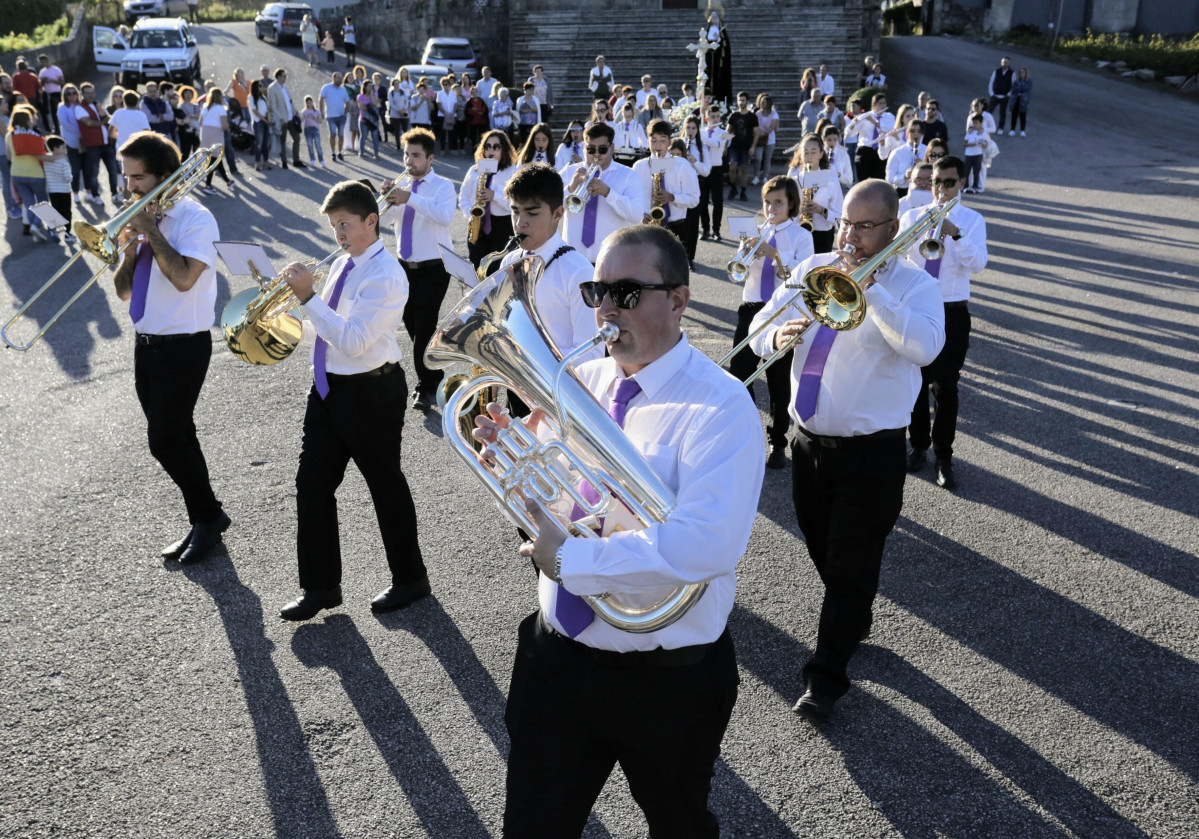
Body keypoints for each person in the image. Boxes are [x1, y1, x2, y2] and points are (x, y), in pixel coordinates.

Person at [480, 221, 763, 838]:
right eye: (597, 293)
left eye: (626, 293)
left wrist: (574, 565)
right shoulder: (581, 381)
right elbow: (556, 506)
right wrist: (516, 465)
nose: (606, 309)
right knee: (531, 826)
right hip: (556, 658)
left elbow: (707, 544)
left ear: (679, 300)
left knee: (678, 824)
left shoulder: (720, 407)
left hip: (668, 678)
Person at [747, 179, 945, 721]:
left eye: (862, 226)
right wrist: (776, 336)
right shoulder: (814, 267)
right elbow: (761, 325)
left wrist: (871, 289)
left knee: (851, 558)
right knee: (823, 549)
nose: (849, 236)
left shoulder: (912, 286)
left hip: (871, 453)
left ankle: (826, 678)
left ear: (891, 230)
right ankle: (852, 611)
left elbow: (926, 347)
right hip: (809, 445)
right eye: (845, 223)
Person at [275, 180, 429, 621]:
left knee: (384, 485)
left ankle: (411, 579)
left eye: (345, 224)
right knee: (312, 484)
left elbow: (355, 340)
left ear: (371, 221)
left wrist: (308, 298)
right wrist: (287, 324)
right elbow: (327, 332)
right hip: (328, 388)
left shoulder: (385, 275)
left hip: (371, 391)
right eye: (333, 226)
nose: (338, 234)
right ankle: (320, 588)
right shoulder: (345, 263)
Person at [112, 130, 230, 562]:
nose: (130, 188)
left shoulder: (195, 219)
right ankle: (202, 519)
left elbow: (183, 278)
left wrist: (151, 232)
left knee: (164, 440)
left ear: (165, 177)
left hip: (183, 345)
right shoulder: (147, 217)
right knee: (180, 435)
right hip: (146, 344)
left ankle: (210, 515)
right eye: (126, 178)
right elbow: (125, 293)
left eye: (139, 178)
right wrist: (129, 251)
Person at [900, 156, 987, 490]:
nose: (940, 189)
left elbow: (977, 263)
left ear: (962, 182)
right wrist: (913, 234)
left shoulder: (972, 219)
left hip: (952, 309)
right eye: (936, 182)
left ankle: (944, 456)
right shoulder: (912, 216)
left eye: (948, 182)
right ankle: (918, 445)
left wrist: (956, 234)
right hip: (917, 305)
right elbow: (897, 259)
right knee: (916, 382)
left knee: (945, 386)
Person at [729, 176, 814, 468]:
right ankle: (749, 429)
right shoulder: (755, 231)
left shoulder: (802, 236)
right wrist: (744, 251)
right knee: (740, 374)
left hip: (782, 313)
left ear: (791, 203)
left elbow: (803, 282)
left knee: (779, 382)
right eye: (767, 202)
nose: (770, 207)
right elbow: (736, 274)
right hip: (750, 307)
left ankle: (777, 441)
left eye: (777, 202)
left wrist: (777, 257)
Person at [379, 128, 456, 411]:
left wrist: (410, 198)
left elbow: (445, 217)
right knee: (412, 325)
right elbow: (390, 223)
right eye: (406, 154)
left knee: (423, 327)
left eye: (415, 156)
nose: (409, 161)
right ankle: (435, 375)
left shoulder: (443, 186)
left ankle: (425, 388)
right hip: (404, 266)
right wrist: (388, 200)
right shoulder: (402, 185)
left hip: (434, 267)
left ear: (430, 159)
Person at [499, 163, 600, 367]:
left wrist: (526, 360)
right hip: (515, 387)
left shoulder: (581, 272)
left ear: (558, 214)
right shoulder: (509, 260)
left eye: (532, 213)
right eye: (515, 211)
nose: (520, 223)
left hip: (556, 392)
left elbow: (592, 356)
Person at [560, 123, 646, 264]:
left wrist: (609, 193)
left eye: (602, 149)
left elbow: (637, 215)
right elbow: (549, 209)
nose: (597, 154)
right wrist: (571, 187)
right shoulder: (569, 172)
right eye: (591, 149)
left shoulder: (629, 175)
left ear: (612, 148)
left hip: (611, 261)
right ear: (584, 148)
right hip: (573, 260)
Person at [632, 118, 698, 244]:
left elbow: (694, 199)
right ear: (648, 142)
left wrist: (672, 197)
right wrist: (639, 215)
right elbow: (633, 198)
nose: (657, 145)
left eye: (662, 140)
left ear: (669, 142)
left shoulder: (681, 165)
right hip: (647, 226)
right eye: (654, 140)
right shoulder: (639, 167)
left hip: (676, 227)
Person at [460, 129, 517, 268]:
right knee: (477, 267)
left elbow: (516, 203)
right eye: (488, 146)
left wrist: (494, 196)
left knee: (495, 269)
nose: (491, 150)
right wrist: (472, 215)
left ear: (503, 150)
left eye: (496, 147)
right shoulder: (474, 170)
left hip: (502, 226)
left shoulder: (512, 171)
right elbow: (463, 197)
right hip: (477, 224)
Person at [786, 133, 842, 253]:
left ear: (821, 154)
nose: (809, 156)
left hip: (823, 235)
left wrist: (822, 211)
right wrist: (798, 210)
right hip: (797, 232)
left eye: (813, 152)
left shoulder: (831, 182)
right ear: (800, 155)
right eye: (805, 152)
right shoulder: (793, 181)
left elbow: (840, 217)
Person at [7, 109, 56, 241]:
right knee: (42, 202)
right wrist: (54, 157)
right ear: (26, 121)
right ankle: (36, 225)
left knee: (29, 203)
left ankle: (35, 230)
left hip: (16, 173)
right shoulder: (35, 136)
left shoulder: (9, 136)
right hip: (35, 174)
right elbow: (41, 155)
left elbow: (9, 157)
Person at [677, 116, 710, 262]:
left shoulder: (701, 147)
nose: (690, 131)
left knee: (692, 223)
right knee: (679, 221)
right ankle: (678, 256)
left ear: (697, 130)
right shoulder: (677, 144)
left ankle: (690, 258)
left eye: (693, 128)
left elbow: (706, 171)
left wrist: (694, 162)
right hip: (678, 185)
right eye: (688, 127)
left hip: (695, 185)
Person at [75, 83, 113, 206]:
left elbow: (109, 119)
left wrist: (104, 119)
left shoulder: (98, 105)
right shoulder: (79, 108)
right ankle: (96, 195)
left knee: (112, 169)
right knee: (94, 172)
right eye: (87, 93)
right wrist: (102, 121)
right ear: (82, 94)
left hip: (106, 143)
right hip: (92, 145)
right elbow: (89, 123)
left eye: (92, 92)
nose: (90, 95)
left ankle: (115, 193)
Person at [846, 93, 893, 182]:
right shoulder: (864, 116)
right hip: (865, 151)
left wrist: (876, 124)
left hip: (881, 151)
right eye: (880, 103)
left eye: (884, 103)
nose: (883, 106)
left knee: (879, 182)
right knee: (863, 181)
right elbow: (850, 134)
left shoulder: (890, 117)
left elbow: (887, 133)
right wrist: (853, 124)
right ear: (873, 105)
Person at [698, 103, 728, 241]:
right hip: (703, 169)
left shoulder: (724, 133)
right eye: (712, 117)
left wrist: (700, 138)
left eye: (717, 117)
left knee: (717, 201)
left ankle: (716, 230)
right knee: (702, 201)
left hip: (716, 169)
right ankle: (705, 229)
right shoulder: (701, 131)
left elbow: (716, 144)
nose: (715, 120)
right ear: (707, 118)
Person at [198, 88, 234, 195]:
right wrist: (229, 126)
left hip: (205, 133)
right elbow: (225, 125)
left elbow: (200, 122)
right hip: (216, 133)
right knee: (215, 159)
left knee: (213, 159)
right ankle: (208, 185)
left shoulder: (205, 107)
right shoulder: (220, 108)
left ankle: (228, 181)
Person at [267, 68, 305, 169]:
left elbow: (290, 101)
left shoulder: (285, 87)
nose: (285, 78)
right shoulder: (272, 88)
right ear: (278, 77)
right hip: (282, 119)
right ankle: (284, 161)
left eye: (285, 76)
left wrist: (296, 112)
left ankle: (296, 160)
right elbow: (273, 106)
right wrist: (279, 118)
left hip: (290, 117)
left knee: (296, 138)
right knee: (283, 140)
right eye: (283, 76)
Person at [42, 135, 76, 243]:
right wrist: (71, 177)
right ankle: (67, 234)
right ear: (56, 149)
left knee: (56, 210)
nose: (65, 150)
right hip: (64, 191)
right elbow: (67, 178)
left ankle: (55, 230)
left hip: (52, 190)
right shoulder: (63, 162)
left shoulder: (46, 159)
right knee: (66, 212)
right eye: (63, 147)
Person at [884, 120, 926, 197]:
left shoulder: (927, 151)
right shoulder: (897, 152)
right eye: (912, 131)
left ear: (922, 134)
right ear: (907, 132)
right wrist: (904, 176)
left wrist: (924, 166)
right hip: (901, 192)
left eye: (919, 131)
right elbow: (889, 177)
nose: (916, 134)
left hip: (923, 191)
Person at [726, 91, 755, 202]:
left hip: (746, 147)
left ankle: (743, 191)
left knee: (744, 169)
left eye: (743, 100)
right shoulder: (734, 115)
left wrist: (753, 147)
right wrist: (724, 145)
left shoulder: (752, 117)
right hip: (734, 147)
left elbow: (756, 132)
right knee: (732, 167)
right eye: (739, 100)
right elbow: (728, 131)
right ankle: (733, 188)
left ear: (747, 101)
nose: (741, 102)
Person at [318, 71, 350, 163]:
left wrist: (346, 112)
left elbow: (347, 101)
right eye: (338, 78)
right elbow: (321, 100)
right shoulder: (326, 88)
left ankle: (339, 152)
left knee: (341, 135)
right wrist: (322, 112)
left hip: (341, 116)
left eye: (341, 78)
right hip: (331, 116)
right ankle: (333, 152)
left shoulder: (343, 89)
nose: (340, 79)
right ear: (333, 78)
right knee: (332, 134)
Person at [749, 94, 778, 185]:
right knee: (758, 158)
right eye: (761, 102)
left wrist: (765, 133)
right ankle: (756, 176)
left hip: (770, 139)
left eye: (763, 102)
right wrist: (759, 133)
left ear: (768, 104)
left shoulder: (774, 113)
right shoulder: (757, 114)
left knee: (767, 159)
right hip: (759, 138)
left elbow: (773, 126)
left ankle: (765, 176)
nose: (761, 104)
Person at [704, 9, 732, 105]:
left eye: (716, 17)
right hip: (709, 59)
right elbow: (704, 43)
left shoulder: (722, 32)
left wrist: (718, 39)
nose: (714, 19)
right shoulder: (707, 31)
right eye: (713, 17)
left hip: (719, 60)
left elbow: (725, 45)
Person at [37, 55, 63, 134]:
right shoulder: (42, 72)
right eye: (42, 62)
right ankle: (56, 129)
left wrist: (51, 80)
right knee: (52, 113)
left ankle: (61, 127)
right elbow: (40, 84)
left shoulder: (56, 69)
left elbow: (62, 82)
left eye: (45, 61)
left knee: (58, 111)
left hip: (56, 93)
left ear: (48, 60)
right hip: (47, 93)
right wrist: (42, 81)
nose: (44, 63)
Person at [248, 80, 271, 171]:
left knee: (266, 142)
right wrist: (264, 119)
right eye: (260, 86)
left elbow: (267, 110)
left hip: (265, 121)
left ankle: (266, 161)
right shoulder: (251, 97)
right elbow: (254, 111)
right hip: (258, 122)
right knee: (259, 143)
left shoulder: (263, 98)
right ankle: (257, 162)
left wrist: (269, 119)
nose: (262, 88)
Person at [987, 56, 1014, 129]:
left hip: (1004, 97)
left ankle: (1000, 127)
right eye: (1002, 62)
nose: (1003, 64)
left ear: (1009, 63)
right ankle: (986, 125)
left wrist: (1008, 95)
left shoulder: (1012, 73)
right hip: (994, 95)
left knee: (1002, 113)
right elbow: (991, 83)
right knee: (988, 112)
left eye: (1005, 62)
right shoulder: (996, 71)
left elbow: (1013, 86)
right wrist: (992, 94)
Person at [356, 81, 380, 158]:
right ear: (365, 87)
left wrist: (372, 95)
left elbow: (375, 103)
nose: (370, 88)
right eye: (369, 86)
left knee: (375, 137)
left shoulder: (375, 95)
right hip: (364, 120)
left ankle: (376, 153)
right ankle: (361, 152)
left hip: (373, 120)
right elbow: (361, 107)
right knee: (363, 136)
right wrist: (371, 108)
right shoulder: (360, 96)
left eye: (371, 86)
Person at [301, 95, 326, 167]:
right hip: (307, 129)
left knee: (318, 145)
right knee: (310, 145)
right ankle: (312, 159)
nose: (309, 104)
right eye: (307, 103)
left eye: (310, 102)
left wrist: (315, 118)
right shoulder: (304, 111)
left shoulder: (317, 111)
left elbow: (320, 121)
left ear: (312, 102)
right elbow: (302, 119)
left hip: (315, 129)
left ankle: (321, 160)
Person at [1009, 68, 1031, 136]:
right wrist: (1020, 90)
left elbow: (1027, 88)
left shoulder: (1028, 81)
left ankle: (1022, 130)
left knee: (1023, 115)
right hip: (1016, 99)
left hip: (1023, 100)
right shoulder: (1016, 81)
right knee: (1014, 115)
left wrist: (1019, 90)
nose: (1022, 74)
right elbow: (1014, 89)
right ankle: (1012, 129)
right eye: (1021, 72)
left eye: (1023, 72)